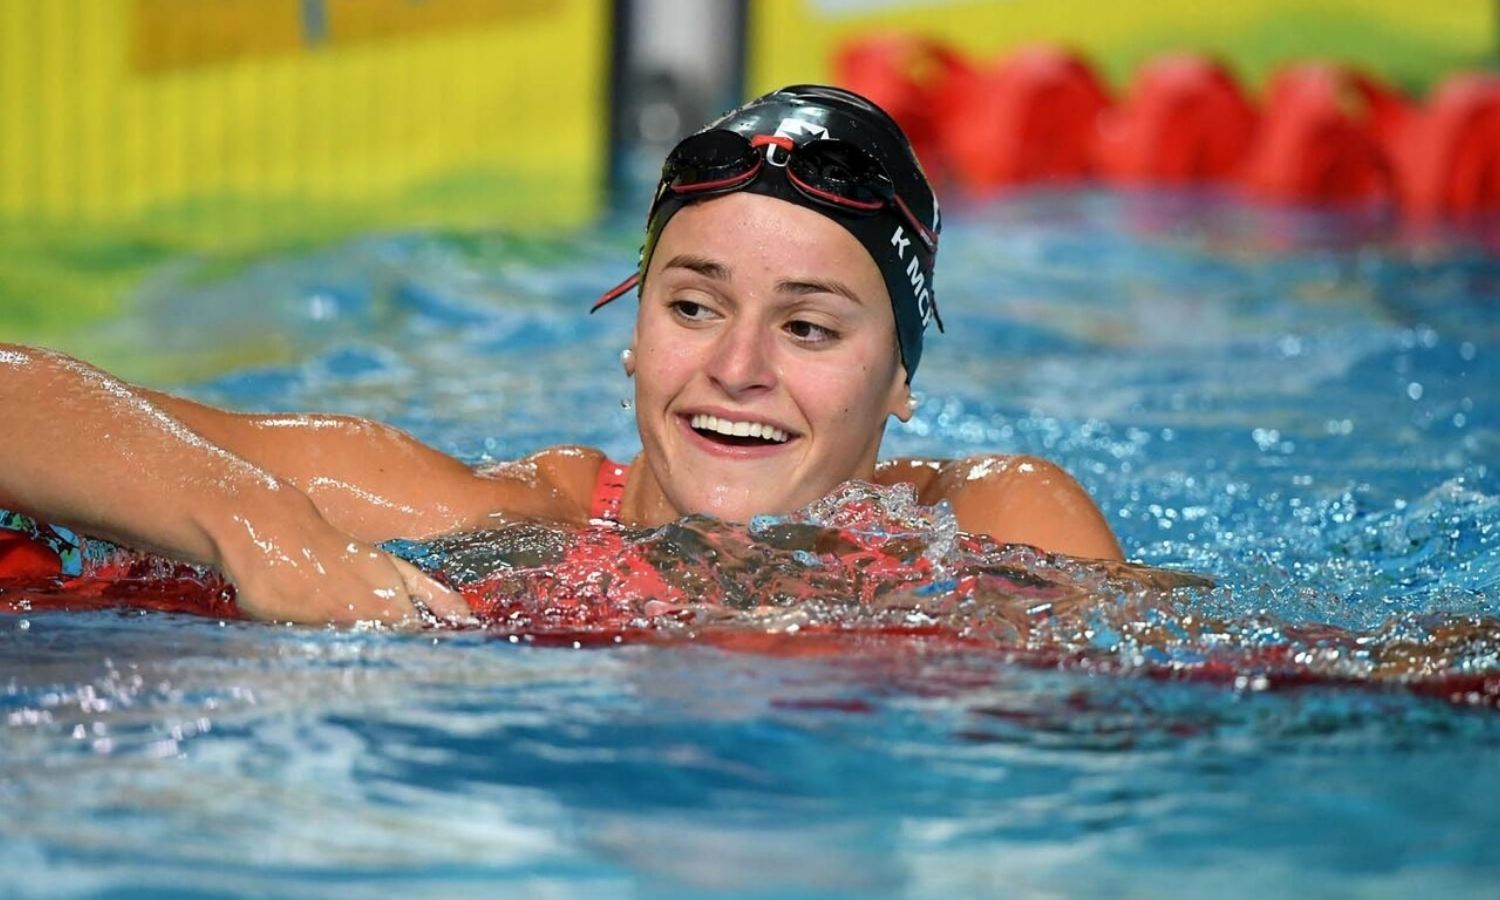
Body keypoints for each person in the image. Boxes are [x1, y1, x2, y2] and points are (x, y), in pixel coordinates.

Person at [0, 84, 1121, 627]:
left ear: (900, 381)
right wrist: (267, 531)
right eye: (693, 307)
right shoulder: (524, 519)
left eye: (809, 327)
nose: (737, 366)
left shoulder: (993, 529)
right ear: (634, 339)